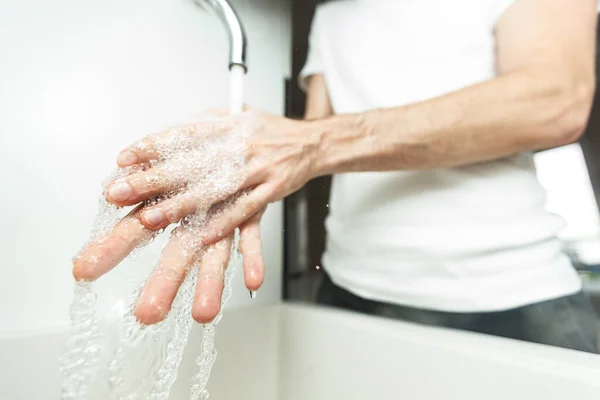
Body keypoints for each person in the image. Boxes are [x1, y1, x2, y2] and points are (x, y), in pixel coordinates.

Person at [73, 0, 600, 353]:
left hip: (511, 301)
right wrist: (244, 170)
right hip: (351, 295)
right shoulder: (333, 11)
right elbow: (318, 136)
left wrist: (310, 144)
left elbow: (554, 101)